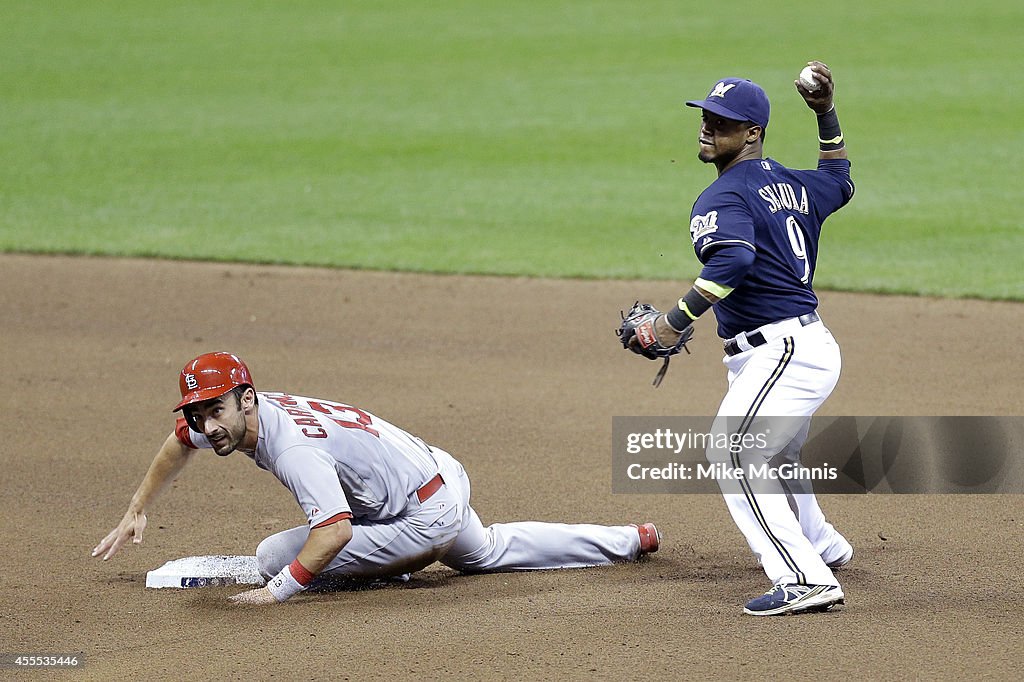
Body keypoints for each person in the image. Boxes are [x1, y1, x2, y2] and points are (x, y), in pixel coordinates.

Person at [93, 352, 660, 605]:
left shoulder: (292, 446)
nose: (205, 424)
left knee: (273, 557)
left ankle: (394, 570)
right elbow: (177, 440)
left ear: (245, 399)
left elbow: (333, 533)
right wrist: (138, 506)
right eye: (198, 413)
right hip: (440, 474)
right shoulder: (242, 419)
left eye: (215, 410)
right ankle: (628, 540)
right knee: (486, 551)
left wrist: (277, 592)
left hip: (421, 517)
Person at [623, 62, 854, 615]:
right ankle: (820, 544)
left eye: (723, 122)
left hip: (783, 352)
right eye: (705, 117)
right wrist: (825, 113)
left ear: (752, 133)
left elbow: (734, 259)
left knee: (734, 450)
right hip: (797, 347)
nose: (707, 128)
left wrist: (669, 324)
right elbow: (840, 179)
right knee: (776, 455)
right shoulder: (794, 183)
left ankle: (805, 580)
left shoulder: (722, 198)